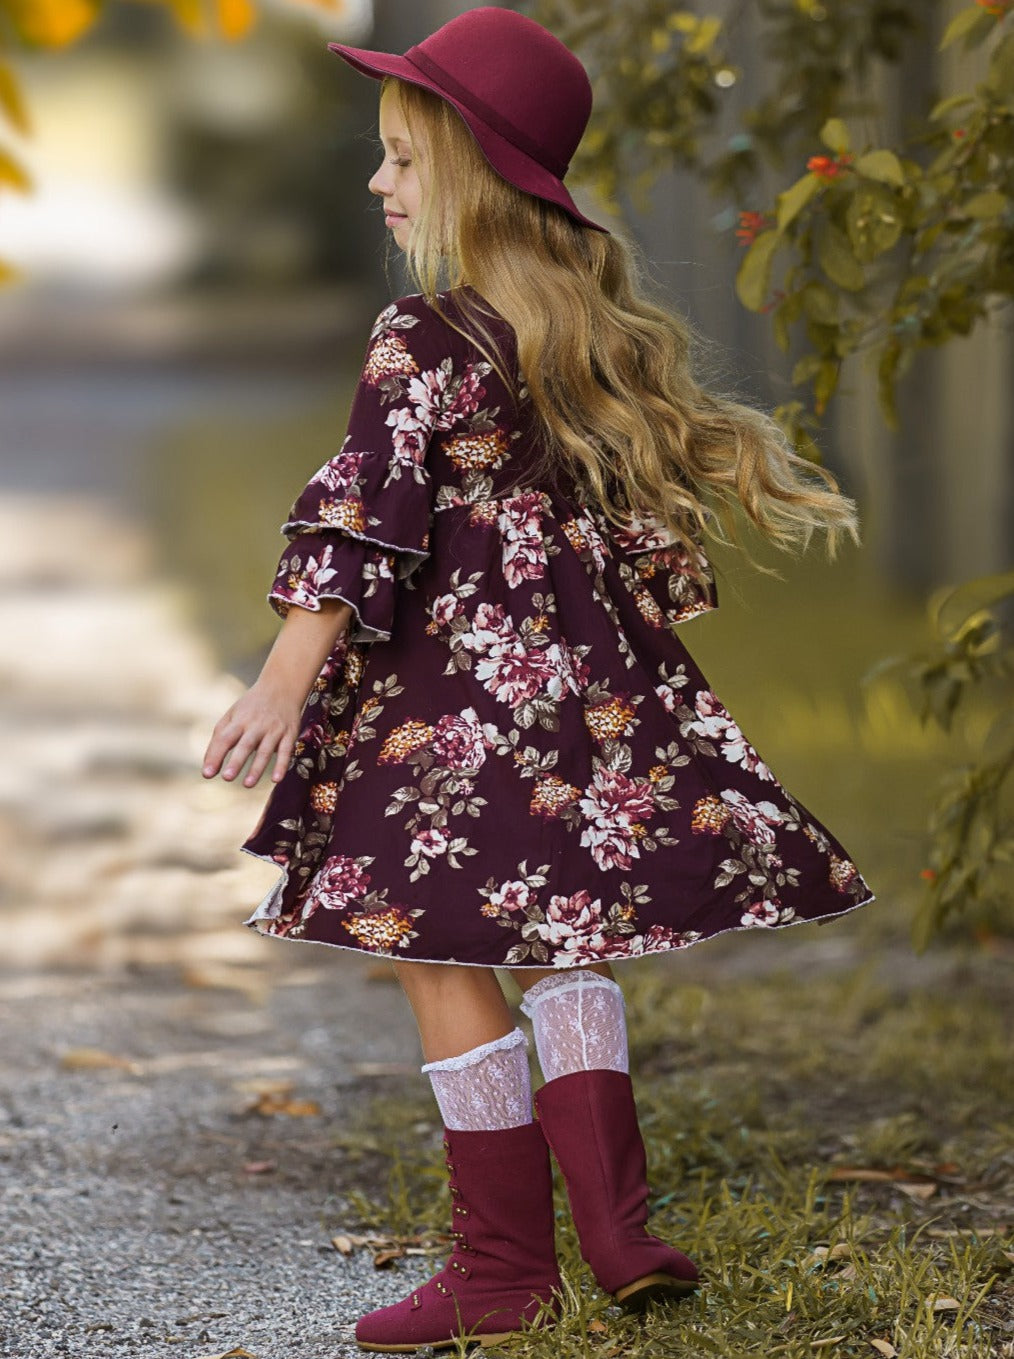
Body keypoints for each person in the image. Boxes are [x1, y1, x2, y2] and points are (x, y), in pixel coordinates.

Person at [201, 7, 876, 1353]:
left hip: (442, 699)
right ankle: (619, 1233)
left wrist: (281, 683)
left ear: (472, 169)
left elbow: (365, 518)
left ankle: (503, 1268)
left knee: (435, 946)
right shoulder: (582, 334)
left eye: (402, 157)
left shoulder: (421, 336)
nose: (379, 182)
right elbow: (630, 544)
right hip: (579, 690)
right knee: (567, 938)